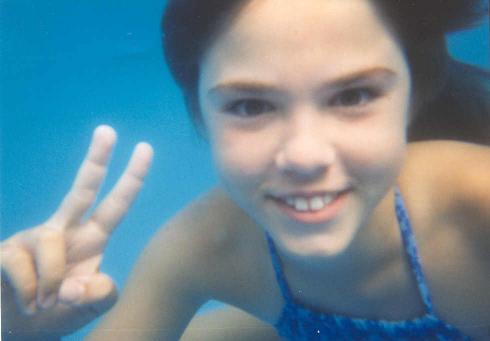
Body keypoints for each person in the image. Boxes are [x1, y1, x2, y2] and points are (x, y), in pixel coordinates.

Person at [2, 0, 489, 340]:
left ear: (412, 95)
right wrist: (17, 330)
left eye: (354, 96)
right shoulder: (205, 246)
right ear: (200, 115)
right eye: (251, 105)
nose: (304, 156)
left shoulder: (477, 206)